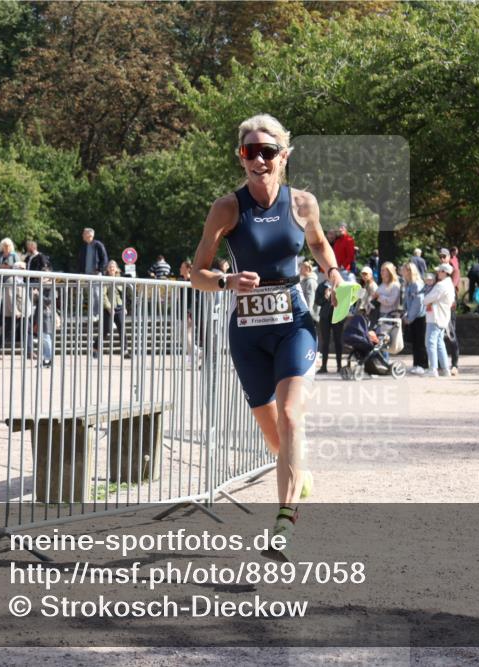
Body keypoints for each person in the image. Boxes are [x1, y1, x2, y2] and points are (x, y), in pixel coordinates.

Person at [189, 114, 340, 560]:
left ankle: (283, 524)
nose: (258, 160)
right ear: (241, 158)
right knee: (275, 436)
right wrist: (226, 283)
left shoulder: (303, 203)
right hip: (248, 332)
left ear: (284, 156)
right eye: (249, 152)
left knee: (292, 417)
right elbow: (197, 272)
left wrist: (333, 273)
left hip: (293, 321)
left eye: (267, 152)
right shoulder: (227, 208)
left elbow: (317, 243)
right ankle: (300, 476)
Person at [423, 263, 456, 377]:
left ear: (444, 272)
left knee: (430, 342)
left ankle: (433, 369)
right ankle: (446, 369)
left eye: (439, 271)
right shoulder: (449, 284)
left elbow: (427, 299)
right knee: (439, 342)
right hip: (443, 317)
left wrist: (426, 299)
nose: (437, 273)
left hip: (435, 317)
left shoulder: (440, 285)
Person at [95, 260, 127, 357]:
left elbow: (122, 295)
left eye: (113, 266)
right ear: (107, 269)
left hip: (119, 307)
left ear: (117, 269)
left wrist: (124, 306)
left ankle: (125, 350)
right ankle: (95, 348)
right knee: (106, 329)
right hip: (108, 307)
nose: (112, 268)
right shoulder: (105, 279)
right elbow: (103, 295)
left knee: (122, 328)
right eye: (110, 266)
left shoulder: (120, 279)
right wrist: (109, 307)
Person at [315, 274, 344, 374]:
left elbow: (346, 301)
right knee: (325, 342)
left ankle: (339, 366)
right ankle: (324, 366)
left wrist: (336, 295)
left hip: (338, 316)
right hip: (325, 317)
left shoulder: (341, 285)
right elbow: (317, 301)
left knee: (338, 341)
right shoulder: (322, 286)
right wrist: (325, 297)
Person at [402, 262, 427, 375]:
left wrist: (410, 317)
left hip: (419, 317)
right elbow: (407, 302)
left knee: (420, 342)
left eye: (404, 270)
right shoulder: (409, 284)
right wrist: (406, 314)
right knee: (415, 342)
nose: (403, 272)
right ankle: (416, 364)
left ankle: (423, 365)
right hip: (413, 317)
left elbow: (417, 303)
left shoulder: (417, 284)